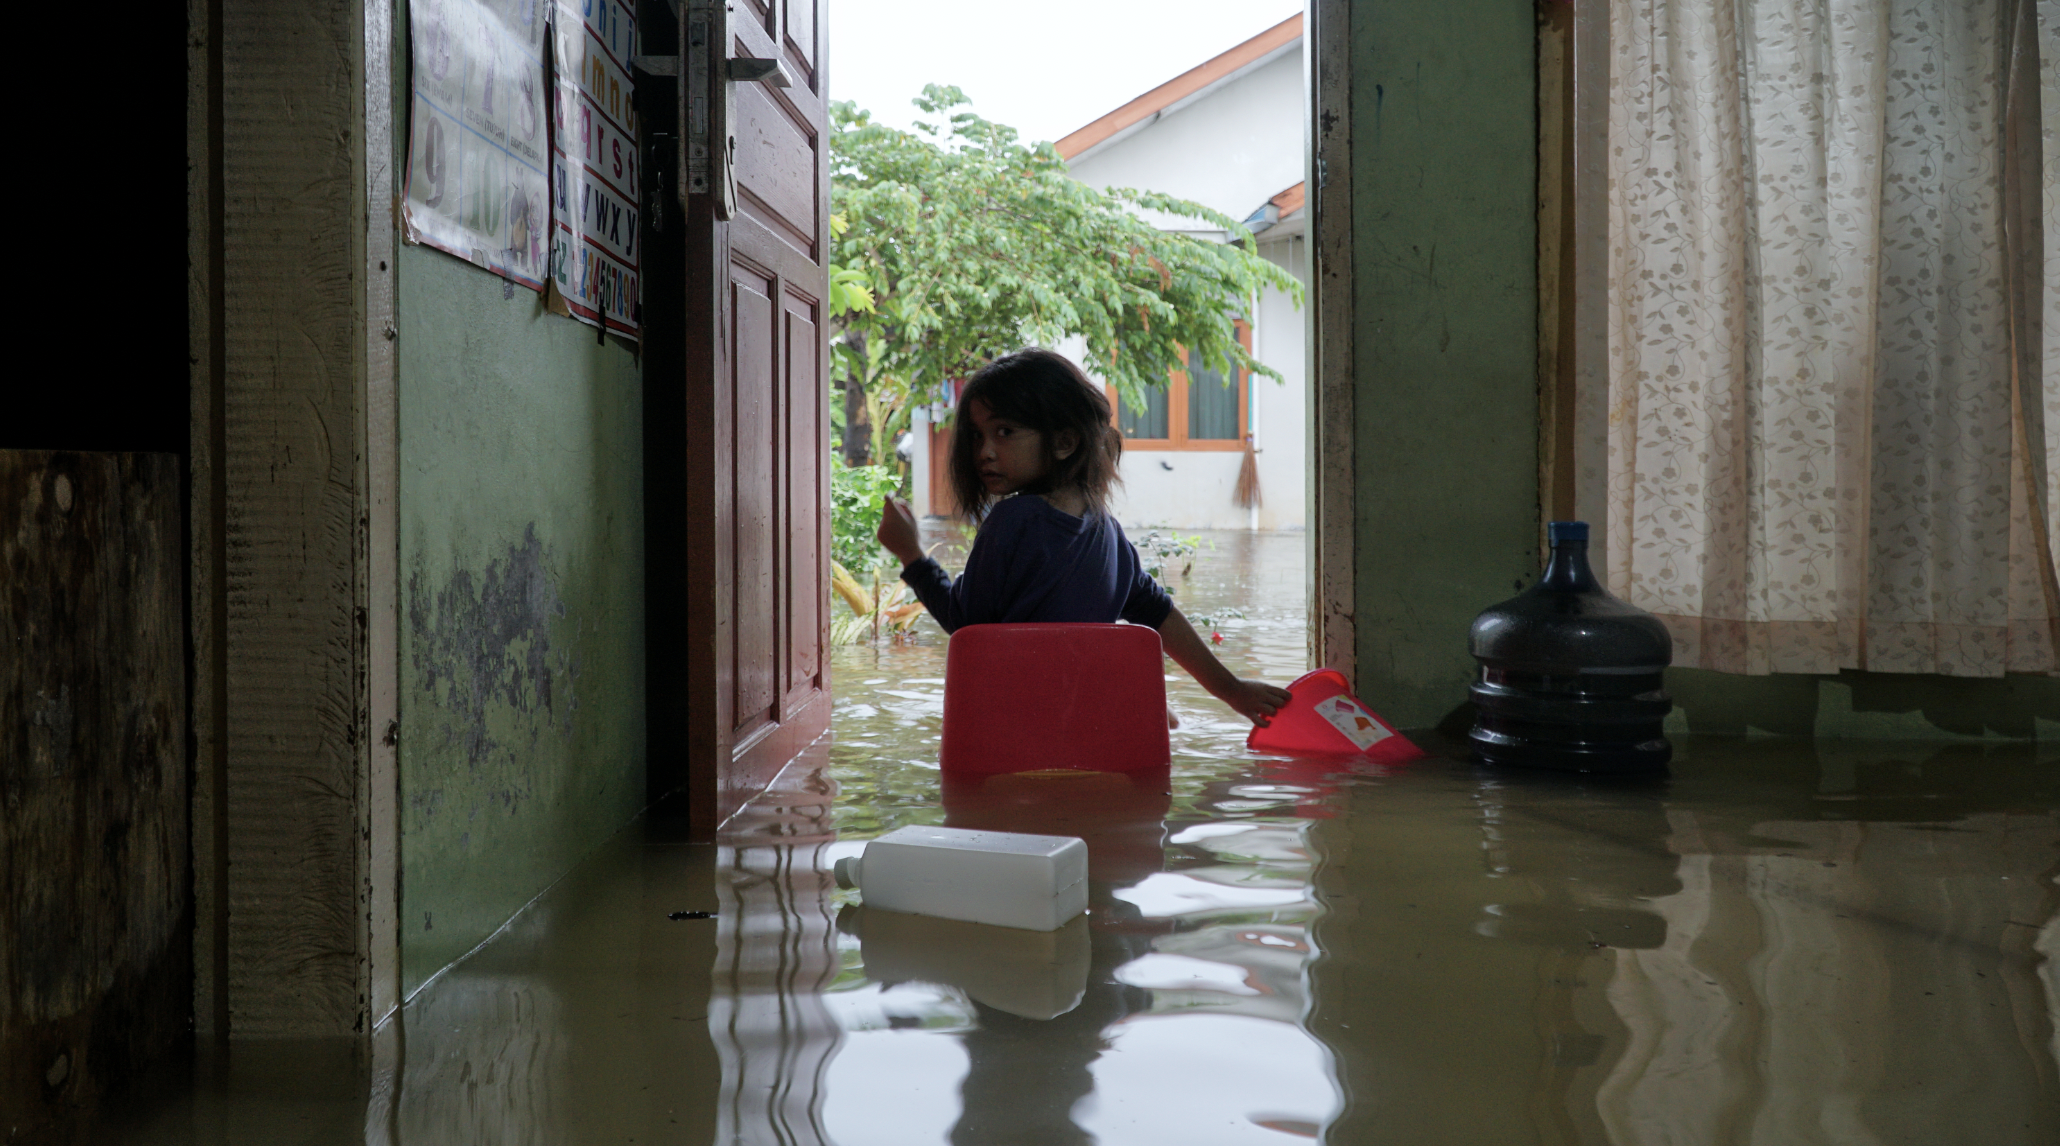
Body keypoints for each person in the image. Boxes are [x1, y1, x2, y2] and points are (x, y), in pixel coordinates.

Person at [875, 348, 1292, 726]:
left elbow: (969, 631)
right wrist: (1230, 690)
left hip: (1017, 730)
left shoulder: (1013, 521)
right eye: (977, 435)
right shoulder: (1106, 529)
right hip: (1093, 720)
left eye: (1004, 432)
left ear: (1064, 442)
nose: (984, 451)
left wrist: (912, 555)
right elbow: (1157, 614)